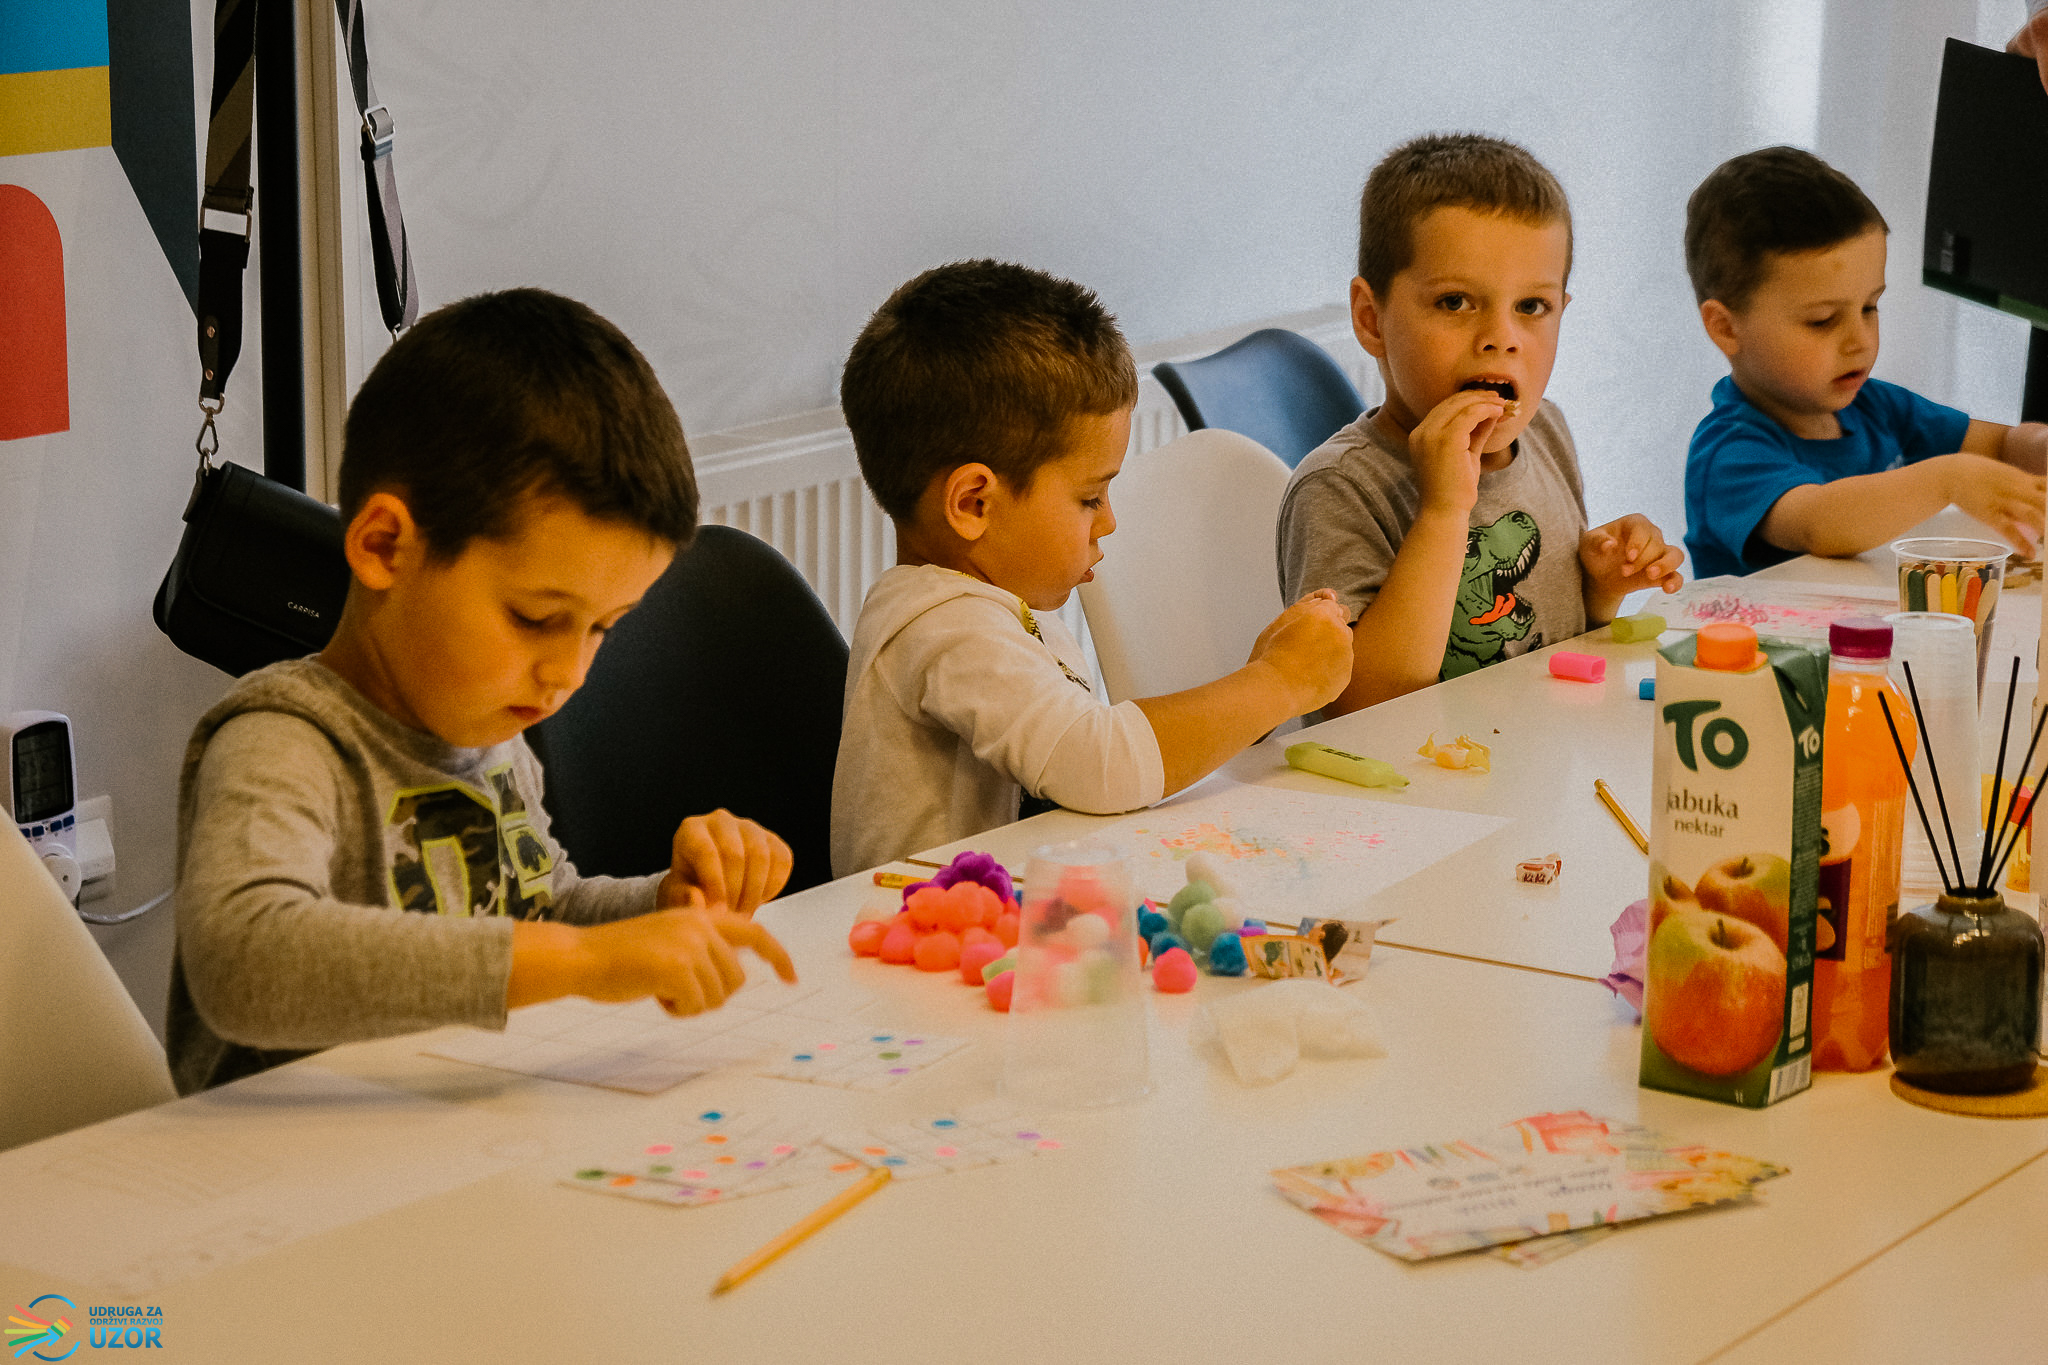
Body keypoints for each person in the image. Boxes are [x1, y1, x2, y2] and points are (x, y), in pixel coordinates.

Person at [171, 288, 796, 1094]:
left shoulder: (490, 731)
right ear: (385, 546)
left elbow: (543, 910)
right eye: (536, 617)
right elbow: (244, 959)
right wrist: (577, 959)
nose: (569, 671)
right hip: (272, 1160)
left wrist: (664, 906)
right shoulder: (284, 743)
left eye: (602, 628)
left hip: (451, 1135)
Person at [830, 260, 1353, 876]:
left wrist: (1257, 685)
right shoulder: (946, 627)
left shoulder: (991, 605)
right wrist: (1277, 683)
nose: (1108, 522)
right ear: (974, 504)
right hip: (915, 926)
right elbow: (1099, 763)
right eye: (1089, 497)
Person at [1277, 133, 1683, 714]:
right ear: (1371, 319)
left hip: (1540, 752)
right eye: (1455, 302)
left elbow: (1548, 647)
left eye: (1531, 307)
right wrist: (1444, 511)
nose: (1501, 337)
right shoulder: (1340, 488)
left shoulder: (1546, 433)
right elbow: (1359, 705)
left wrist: (1599, 589)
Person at [1681, 146, 2048, 579]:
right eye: (1822, 320)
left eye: (1870, 307)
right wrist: (1948, 479)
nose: (1860, 341)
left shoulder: (1879, 407)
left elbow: (2003, 447)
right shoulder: (1729, 452)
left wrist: (2038, 447)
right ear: (1726, 328)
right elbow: (1821, 524)